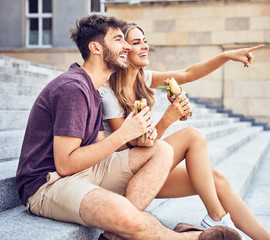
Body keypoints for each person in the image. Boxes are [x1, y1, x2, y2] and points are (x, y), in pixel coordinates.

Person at [15, 14, 241, 240]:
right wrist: (125, 133)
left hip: (84, 172)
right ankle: (193, 238)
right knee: (127, 215)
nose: (126, 46)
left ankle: (114, 236)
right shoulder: (72, 89)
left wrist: (139, 138)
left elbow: (99, 145)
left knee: (161, 150)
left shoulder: (92, 89)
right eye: (118, 40)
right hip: (47, 184)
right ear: (96, 48)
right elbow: (64, 165)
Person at [99, 22, 270, 240]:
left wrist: (227, 56)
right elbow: (132, 148)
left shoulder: (143, 78)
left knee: (217, 180)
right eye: (136, 42)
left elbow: (188, 73)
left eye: (145, 41)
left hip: (145, 167)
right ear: (124, 49)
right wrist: (168, 119)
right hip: (123, 173)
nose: (144, 46)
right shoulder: (108, 93)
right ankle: (217, 217)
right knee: (192, 136)